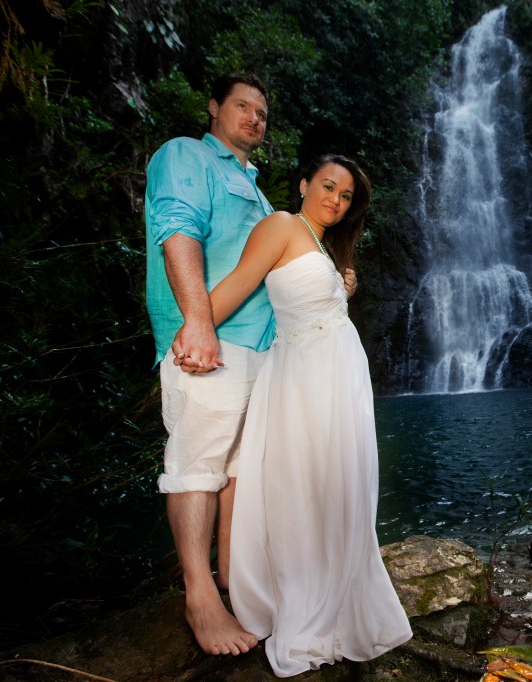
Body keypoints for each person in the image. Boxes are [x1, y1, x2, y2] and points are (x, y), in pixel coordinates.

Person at [145, 73, 359, 656]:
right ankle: (199, 598)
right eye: (242, 106)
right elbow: (177, 229)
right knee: (198, 464)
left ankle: (230, 581)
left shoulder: (260, 195)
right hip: (212, 337)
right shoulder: (186, 156)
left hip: (265, 350)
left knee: (242, 469)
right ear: (213, 108)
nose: (254, 118)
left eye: (262, 113)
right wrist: (197, 322)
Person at [209, 154, 413, 677]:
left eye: (345, 197)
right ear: (303, 184)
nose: (336, 200)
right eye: (328, 186)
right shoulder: (281, 225)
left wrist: (342, 288)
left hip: (339, 377)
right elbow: (240, 282)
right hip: (305, 375)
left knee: (337, 482)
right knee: (303, 483)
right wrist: (194, 327)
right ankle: (302, 598)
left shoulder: (324, 247)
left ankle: (338, 592)